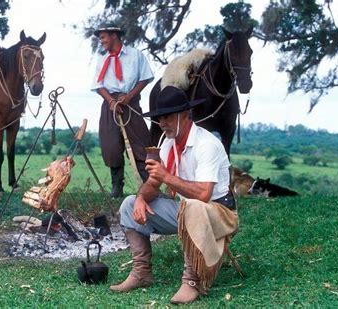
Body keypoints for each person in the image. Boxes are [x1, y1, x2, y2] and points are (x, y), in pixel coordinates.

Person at [110, 86, 239, 304]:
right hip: (188, 211)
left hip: (219, 213)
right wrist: (141, 199)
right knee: (128, 204)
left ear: (185, 115)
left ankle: (192, 280)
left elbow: (204, 194)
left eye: (168, 117)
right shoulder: (168, 144)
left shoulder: (206, 144)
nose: (162, 123)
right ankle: (142, 273)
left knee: (193, 206)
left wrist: (166, 177)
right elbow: (152, 184)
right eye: (160, 118)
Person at [91, 23, 154, 198]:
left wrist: (128, 97)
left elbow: (145, 78)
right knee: (111, 144)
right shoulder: (102, 59)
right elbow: (98, 85)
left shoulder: (135, 55)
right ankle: (116, 187)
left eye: (103, 37)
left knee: (140, 144)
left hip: (131, 103)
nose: (101, 40)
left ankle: (148, 185)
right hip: (109, 104)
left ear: (114, 36)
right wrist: (111, 101)